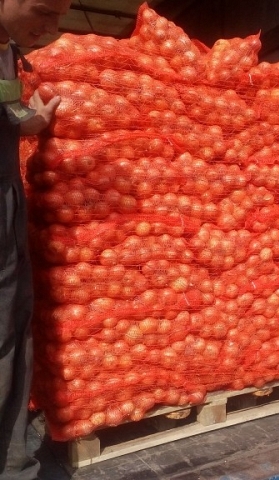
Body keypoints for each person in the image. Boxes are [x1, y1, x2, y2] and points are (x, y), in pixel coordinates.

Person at [0, 1, 71, 479]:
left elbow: (5, 114)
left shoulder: (7, 51)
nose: (51, 29)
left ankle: (13, 462)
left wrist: (30, 122)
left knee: (13, 326)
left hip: (7, 199)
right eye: (44, 11)